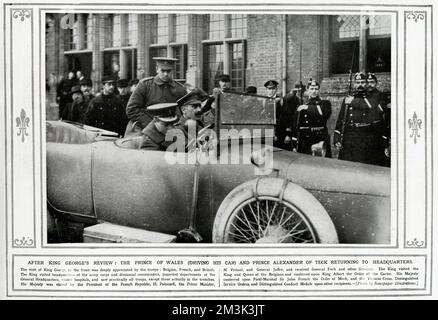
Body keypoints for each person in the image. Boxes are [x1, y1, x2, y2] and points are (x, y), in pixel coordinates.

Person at [334, 72, 387, 165]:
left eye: (362, 82)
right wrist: (337, 136)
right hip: (350, 137)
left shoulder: (373, 97)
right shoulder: (348, 99)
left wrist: (353, 101)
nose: (360, 85)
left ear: (366, 84)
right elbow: (341, 119)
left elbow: (370, 105)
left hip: (365, 138)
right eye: (358, 82)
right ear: (354, 84)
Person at [125, 57, 186, 137]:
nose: (166, 74)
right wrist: (152, 125)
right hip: (143, 128)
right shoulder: (145, 85)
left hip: (169, 130)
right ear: (157, 69)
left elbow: (184, 110)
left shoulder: (179, 89)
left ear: (173, 70)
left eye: (168, 71)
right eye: (163, 71)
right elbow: (131, 109)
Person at [291, 79, 332, 157]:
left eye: (316, 89)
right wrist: (294, 143)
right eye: (312, 89)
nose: (314, 91)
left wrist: (307, 108)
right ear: (307, 90)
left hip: (319, 139)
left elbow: (324, 112)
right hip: (304, 141)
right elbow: (296, 125)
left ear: (319, 90)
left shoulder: (325, 103)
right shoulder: (301, 105)